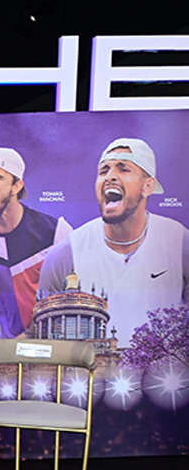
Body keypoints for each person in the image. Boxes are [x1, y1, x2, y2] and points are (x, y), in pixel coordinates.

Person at [38, 138, 189, 345]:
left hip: (166, 365)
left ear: (148, 186)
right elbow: (43, 334)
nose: (110, 177)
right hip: (89, 365)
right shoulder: (65, 253)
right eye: (104, 171)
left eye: (123, 169)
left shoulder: (179, 242)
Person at [0, 147, 72, 338]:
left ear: (16, 186)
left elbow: (77, 292)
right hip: (7, 348)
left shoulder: (56, 232)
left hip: (50, 344)